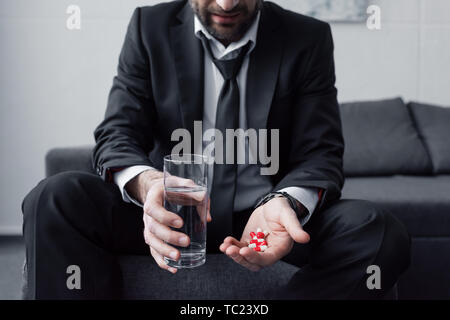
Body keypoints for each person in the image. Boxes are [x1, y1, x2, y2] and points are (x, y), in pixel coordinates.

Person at [22, 0, 410, 299]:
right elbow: (117, 132)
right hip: (171, 214)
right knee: (54, 198)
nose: (226, 5)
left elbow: (320, 152)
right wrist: (150, 185)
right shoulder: (148, 27)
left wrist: (286, 203)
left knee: (378, 232)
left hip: (263, 223)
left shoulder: (307, 38)